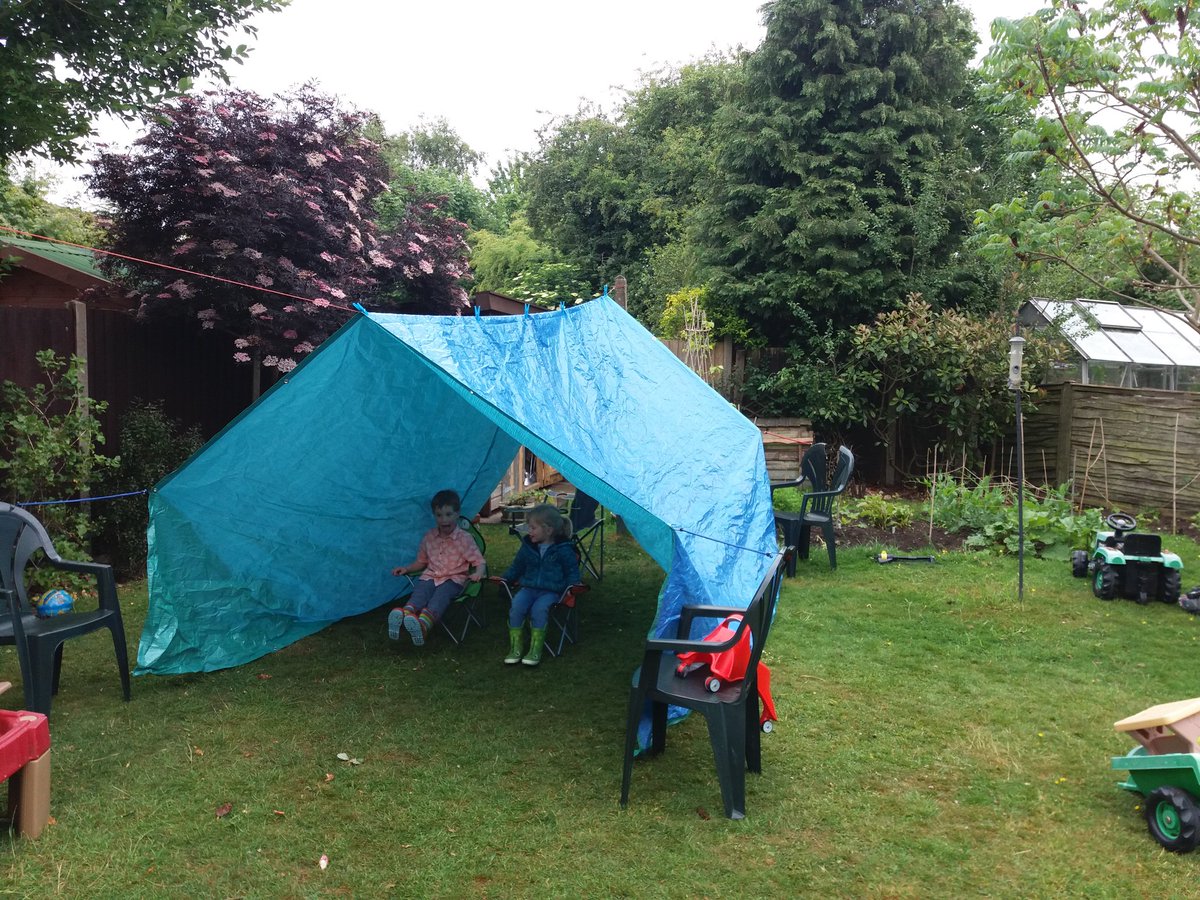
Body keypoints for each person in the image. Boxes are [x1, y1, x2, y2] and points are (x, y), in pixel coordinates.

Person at [388, 489, 485, 647]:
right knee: (421, 590)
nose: (444, 519)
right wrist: (407, 569)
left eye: (448, 514)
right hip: (431, 576)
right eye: (439, 515)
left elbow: (479, 561)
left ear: (457, 514)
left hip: (453, 579)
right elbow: (421, 562)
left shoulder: (465, 539)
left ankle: (423, 625)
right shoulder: (429, 537)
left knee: (440, 595)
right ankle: (404, 615)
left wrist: (478, 573)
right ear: (434, 515)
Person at [497, 503, 580, 666]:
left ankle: (535, 649)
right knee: (516, 607)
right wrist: (505, 578)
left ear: (548, 530)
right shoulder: (528, 547)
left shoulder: (563, 549)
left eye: (533, 528)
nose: (530, 531)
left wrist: (573, 586)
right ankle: (516, 648)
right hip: (528, 588)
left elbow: (572, 570)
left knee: (539, 609)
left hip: (551, 591)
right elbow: (517, 566)